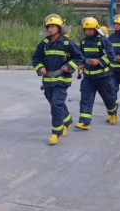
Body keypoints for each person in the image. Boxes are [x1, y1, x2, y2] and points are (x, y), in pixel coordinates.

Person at [32, 14, 83, 145]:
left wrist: (69, 66)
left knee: (56, 104)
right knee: (54, 103)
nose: (51, 29)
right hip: (48, 81)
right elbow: (36, 59)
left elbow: (79, 57)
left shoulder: (67, 43)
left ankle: (56, 132)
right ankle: (67, 120)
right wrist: (40, 68)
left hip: (62, 80)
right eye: (49, 27)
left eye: (53, 26)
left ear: (59, 28)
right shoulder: (44, 44)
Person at [76, 17, 118, 130]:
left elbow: (111, 56)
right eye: (86, 29)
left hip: (103, 77)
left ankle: (113, 114)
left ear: (95, 29)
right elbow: (81, 56)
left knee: (108, 98)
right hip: (88, 77)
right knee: (86, 98)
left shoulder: (103, 41)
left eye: (90, 29)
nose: (88, 31)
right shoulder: (84, 41)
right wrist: (81, 64)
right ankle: (84, 122)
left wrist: (99, 61)